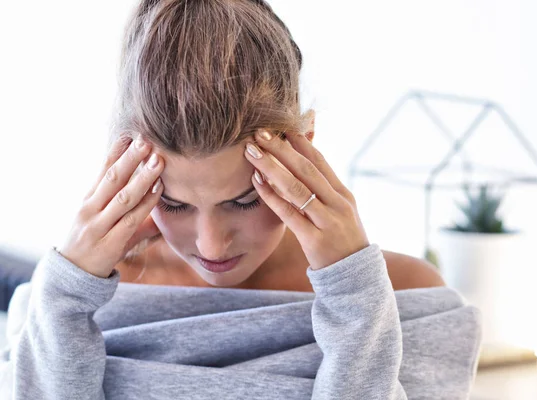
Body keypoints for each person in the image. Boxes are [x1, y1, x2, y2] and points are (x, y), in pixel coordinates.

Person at [1, 1, 483, 399]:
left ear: (304, 145)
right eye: (174, 204)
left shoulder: (403, 297)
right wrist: (65, 293)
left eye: (245, 200)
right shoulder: (63, 307)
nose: (212, 247)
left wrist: (355, 296)